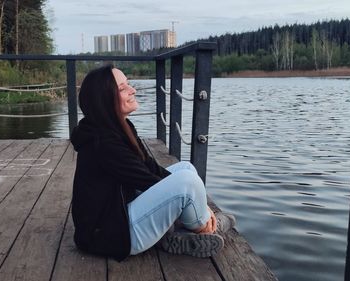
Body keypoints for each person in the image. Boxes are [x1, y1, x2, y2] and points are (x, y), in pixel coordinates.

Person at [70, 64, 235, 261]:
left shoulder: (116, 127)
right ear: (104, 100)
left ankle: (185, 229)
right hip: (110, 236)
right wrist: (203, 205)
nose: (133, 90)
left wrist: (194, 197)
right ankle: (208, 228)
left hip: (119, 211)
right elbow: (147, 180)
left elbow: (148, 167)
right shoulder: (103, 142)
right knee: (187, 182)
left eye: (128, 84)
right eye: (122, 89)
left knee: (186, 169)